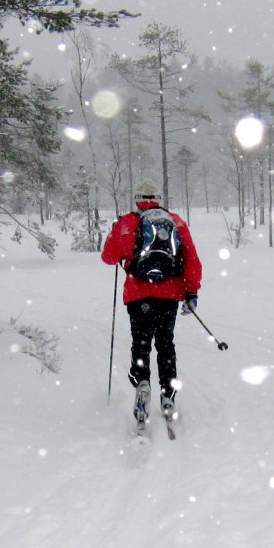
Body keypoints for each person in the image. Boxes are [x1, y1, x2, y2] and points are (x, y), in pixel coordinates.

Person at [101, 178, 203, 425]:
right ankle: (168, 392)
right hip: (169, 295)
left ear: (138, 199)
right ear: (159, 200)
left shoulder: (127, 222)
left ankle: (142, 381)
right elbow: (191, 260)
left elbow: (108, 257)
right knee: (166, 343)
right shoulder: (176, 223)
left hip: (138, 295)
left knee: (141, 341)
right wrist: (191, 293)